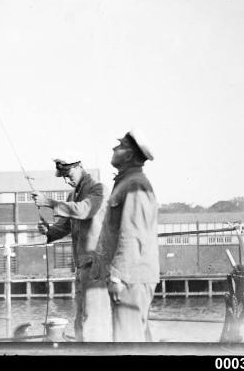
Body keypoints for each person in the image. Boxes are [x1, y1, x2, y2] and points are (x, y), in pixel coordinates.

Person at [32, 157, 111, 341]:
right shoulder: (72, 196)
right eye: (64, 177)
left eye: (68, 175)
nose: (67, 180)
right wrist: (49, 231)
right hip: (82, 265)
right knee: (81, 317)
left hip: (96, 264)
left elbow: (84, 210)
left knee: (93, 318)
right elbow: (65, 226)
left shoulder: (98, 190)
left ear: (79, 166)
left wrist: (49, 202)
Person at [97, 128, 160, 342]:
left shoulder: (135, 185)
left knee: (128, 340)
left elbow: (133, 233)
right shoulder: (126, 182)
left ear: (131, 155)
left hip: (131, 276)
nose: (115, 148)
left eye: (121, 145)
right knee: (134, 337)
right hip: (131, 275)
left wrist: (118, 275)